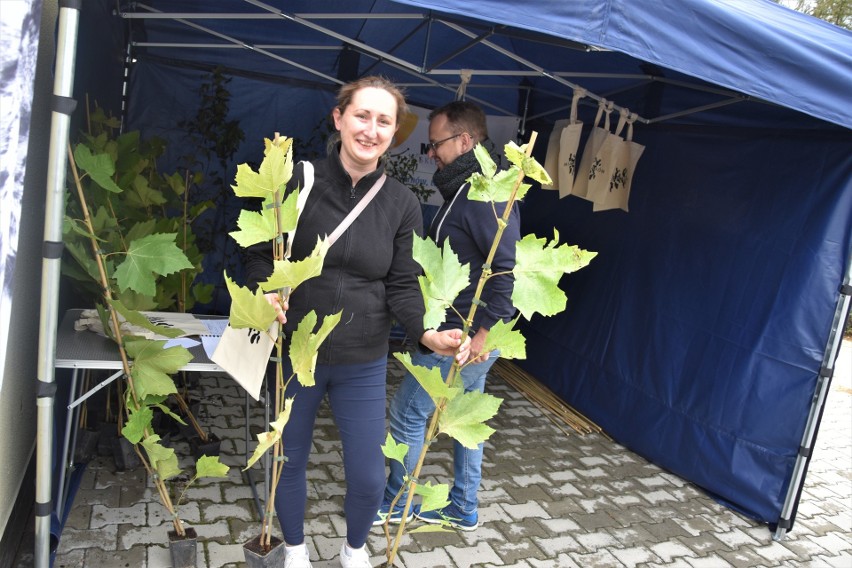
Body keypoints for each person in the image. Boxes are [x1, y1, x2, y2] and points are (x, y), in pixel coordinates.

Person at [244, 77, 470, 568]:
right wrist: (268, 293)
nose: (371, 129)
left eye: (383, 121)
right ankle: (297, 550)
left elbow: (403, 284)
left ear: (394, 132)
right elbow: (259, 256)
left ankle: (353, 551)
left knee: (369, 474)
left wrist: (426, 333)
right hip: (297, 354)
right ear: (339, 118)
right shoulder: (295, 183)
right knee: (289, 460)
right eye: (362, 116)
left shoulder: (402, 204)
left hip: (363, 359)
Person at [377, 101, 521, 531]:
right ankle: (463, 507)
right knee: (464, 419)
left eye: (435, 143)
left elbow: (506, 270)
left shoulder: (487, 195)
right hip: (465, 333)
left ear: (464, 140)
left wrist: (480, 337)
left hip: (460, 335)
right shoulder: (466, 189)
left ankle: (398, 501)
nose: (430, 153)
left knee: (408, 413)